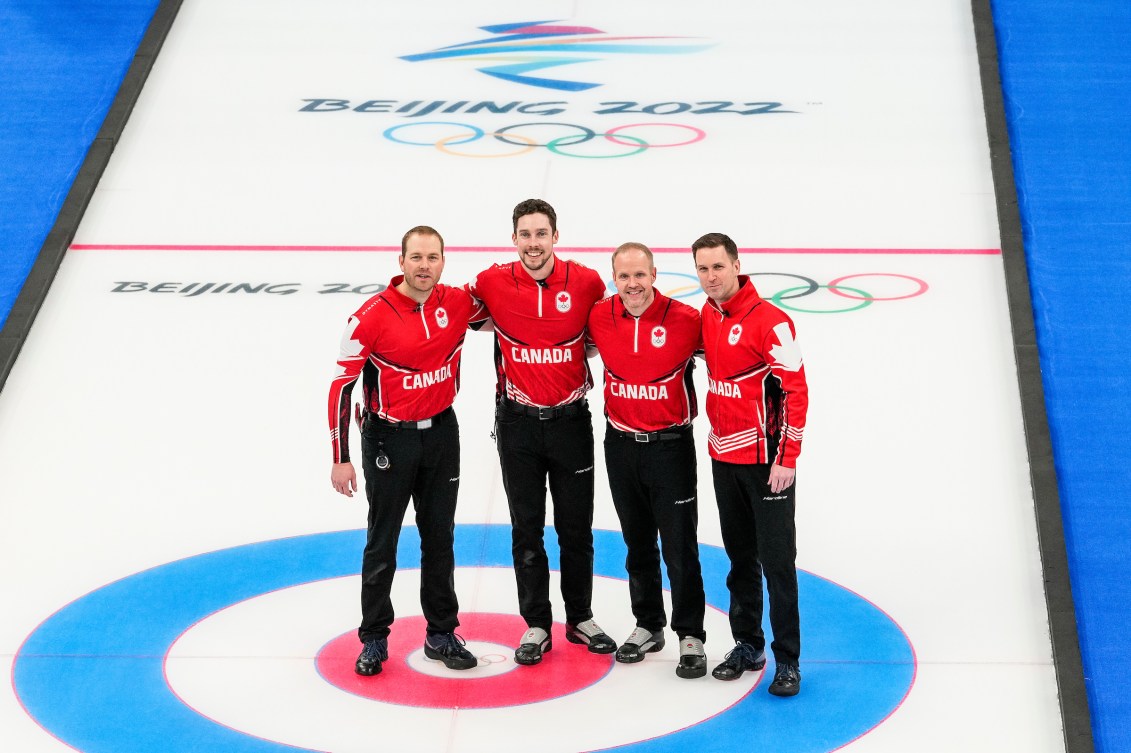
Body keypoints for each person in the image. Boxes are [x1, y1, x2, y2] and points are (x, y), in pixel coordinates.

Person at [327, 226, 484, 676]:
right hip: (387, 439)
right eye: (416, 257)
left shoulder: (456, 303)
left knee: (440, 539)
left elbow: (501, 316)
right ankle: (374, 638)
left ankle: (441, 633)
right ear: (401, 262)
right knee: (383, 541)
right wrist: (340, 457)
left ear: (442, 262)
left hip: (441, 434)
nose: (424, 266)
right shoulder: (370, 315)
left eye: (433, 258)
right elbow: (341, 387)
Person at [467, 198, 616, 665]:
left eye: (541, 234)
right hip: (518, 426)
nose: (534, 243)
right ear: (514, 239)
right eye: (525, 235)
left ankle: (580, 617)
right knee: (526, 529)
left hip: (572, 422)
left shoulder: (588, 282)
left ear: (556, 235)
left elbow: (602, 335)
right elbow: (458, 316)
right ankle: (535, 624)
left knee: (577, 528)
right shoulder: (491, 282)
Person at [692, 232, 808, 697]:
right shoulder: (707, 314)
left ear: (737, 264)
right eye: (702, 268)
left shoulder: (773, 322)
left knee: (777, 564)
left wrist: (788, 458)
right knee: (740, 561)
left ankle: (788, 661)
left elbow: (797, 392)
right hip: (724, 458)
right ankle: (747, 644)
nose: (710, 277)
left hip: (767, 465)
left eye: (718, 266)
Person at [586, 242, 708, 679]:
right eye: (624, 277)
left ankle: (690, 634)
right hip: (619, 444)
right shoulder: (599, 316)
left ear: (655, 275)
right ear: (613, 279)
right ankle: (648, 624)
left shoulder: (686, 320)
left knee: (679, 546)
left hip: (670, 447)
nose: (633, 284)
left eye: (640, 275)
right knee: (637, 542)